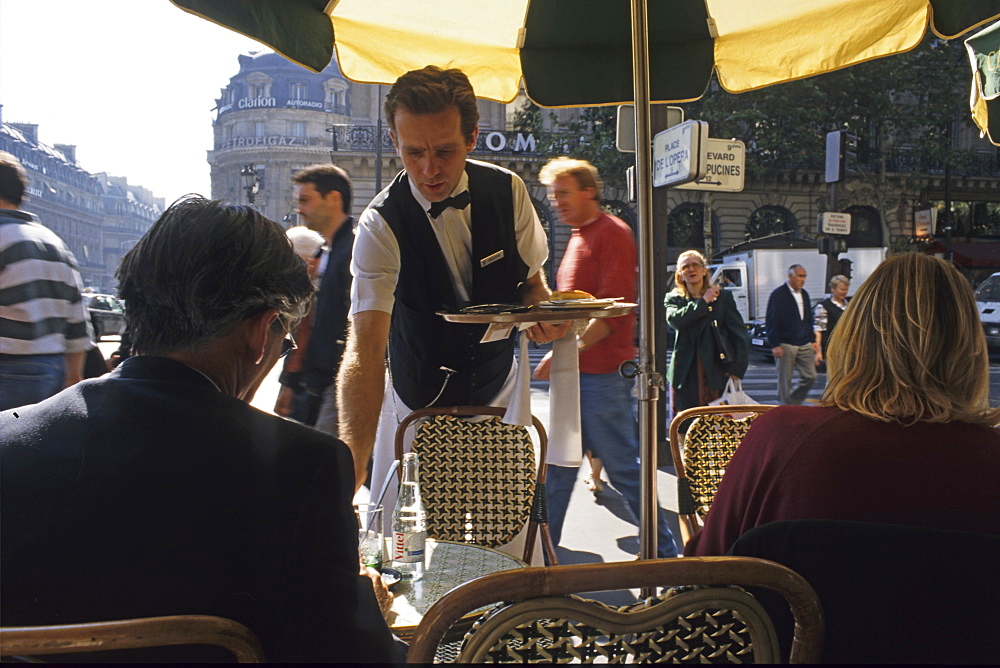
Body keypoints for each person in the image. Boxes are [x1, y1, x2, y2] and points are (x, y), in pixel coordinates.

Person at [0, 197, 401, 663]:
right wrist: (365, 610)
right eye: (284, 340)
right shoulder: (302, 467)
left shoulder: (9, 444)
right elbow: (344, 655)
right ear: (262, 329)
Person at [337, 65, 567, 496]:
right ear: (394, 142)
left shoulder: (509, 191)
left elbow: (534, 284)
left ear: (472, 138)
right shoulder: (379, 225)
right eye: (413, 153)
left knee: (504, 544)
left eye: (444, 151)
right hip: (416, 406)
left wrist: (546, 315)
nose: (429, 171)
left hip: (499, 393)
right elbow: (365, 349)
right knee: (411, 546)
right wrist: (351, 462)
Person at [686, 253, 1000, 556]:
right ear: (969, 346)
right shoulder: (987, 457)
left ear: (855, 335)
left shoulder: (780, 437)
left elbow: (705, 568)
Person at [534, 157, 678, 559]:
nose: (556, 201)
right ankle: (544, 561)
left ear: (589, 191)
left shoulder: (611, 233)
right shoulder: (581, 236)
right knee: (559, 473)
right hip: (580, 375)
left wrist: (568, 353)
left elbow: (613, 313)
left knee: (623, 473)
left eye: (563, 192)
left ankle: (668, 560)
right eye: (553, 194)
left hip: (599, 377)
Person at [0, 150, 92, 411]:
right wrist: (73, 377)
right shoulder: (55, 243)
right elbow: (77, 321)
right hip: (51, 368)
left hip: (7, 368)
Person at [274, 164, 355, 435]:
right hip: (318, 380)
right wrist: (290, 381)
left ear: (333, 199)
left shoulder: (353, 253)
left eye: (306, 200)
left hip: (339, 379)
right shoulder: (324, 252)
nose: (299, 209)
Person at [665, 249, 750, 414]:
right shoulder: (674, 299)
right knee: (685, 423)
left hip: (716, 371)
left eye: (696, 265)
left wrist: (737, 370)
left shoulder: (722, 297)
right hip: (685, 373)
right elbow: (675, 321)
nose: (691, 269)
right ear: (680, 275)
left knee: (717, 425)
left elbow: (739, 335)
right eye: (686, 267)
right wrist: (704, 301)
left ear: (704, 271)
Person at [765, 263, 818, 404]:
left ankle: (793, 401)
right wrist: (775, 344)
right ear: (790, 276)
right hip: (786, 343)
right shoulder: (779, 295)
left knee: (811, 376)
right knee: (785, 380)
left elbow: (808, 318)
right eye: (800, 276)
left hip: (804, 342)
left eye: (804, 276)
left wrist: (812, 339)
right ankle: (784, 406)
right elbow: (772, 319)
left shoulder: (804, 294)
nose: (803, 279)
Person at [813, 274, 849, 373]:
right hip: (831, 347)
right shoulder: (824, 306)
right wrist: (818, 352)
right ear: (833, 289)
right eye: (841, 289)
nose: (845, 292)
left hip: (847, 347)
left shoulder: (849, 305)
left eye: (846, 289)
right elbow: (818, 330)